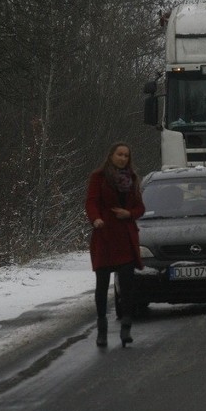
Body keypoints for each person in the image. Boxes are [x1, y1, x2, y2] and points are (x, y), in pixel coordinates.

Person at [85, 142, 145, 348]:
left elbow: (140, 207)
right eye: (119, 154)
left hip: (125, 238)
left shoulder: (133, 179)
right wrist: (95, 219)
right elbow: (91, 202)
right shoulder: (99, 177)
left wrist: (129, 213)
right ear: (111, 155)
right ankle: (101, 330)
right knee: (102, 286)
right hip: (104, 237)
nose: (123, 158)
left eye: (126, 156)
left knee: (127, 286)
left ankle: (126, 326)